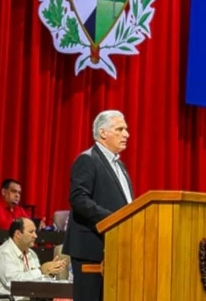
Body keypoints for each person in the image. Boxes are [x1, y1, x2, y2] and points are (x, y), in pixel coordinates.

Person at [64, 110, 135, 301]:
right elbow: (79, 199)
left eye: (126, 129)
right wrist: (113, 220)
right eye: (120, 129)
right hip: (91, 250)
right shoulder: (87, 159)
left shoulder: (120, 166)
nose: (126, 134)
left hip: (115, 249)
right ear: (103, 133)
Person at [0, 218, 67, 300]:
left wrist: (50, 272)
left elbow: (37, 281)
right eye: (31, 232)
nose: (35, 236)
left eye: (35, 232)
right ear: (18, 234)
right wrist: (41, 271)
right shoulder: (4, 253)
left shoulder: (31, 253)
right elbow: (14, 284)